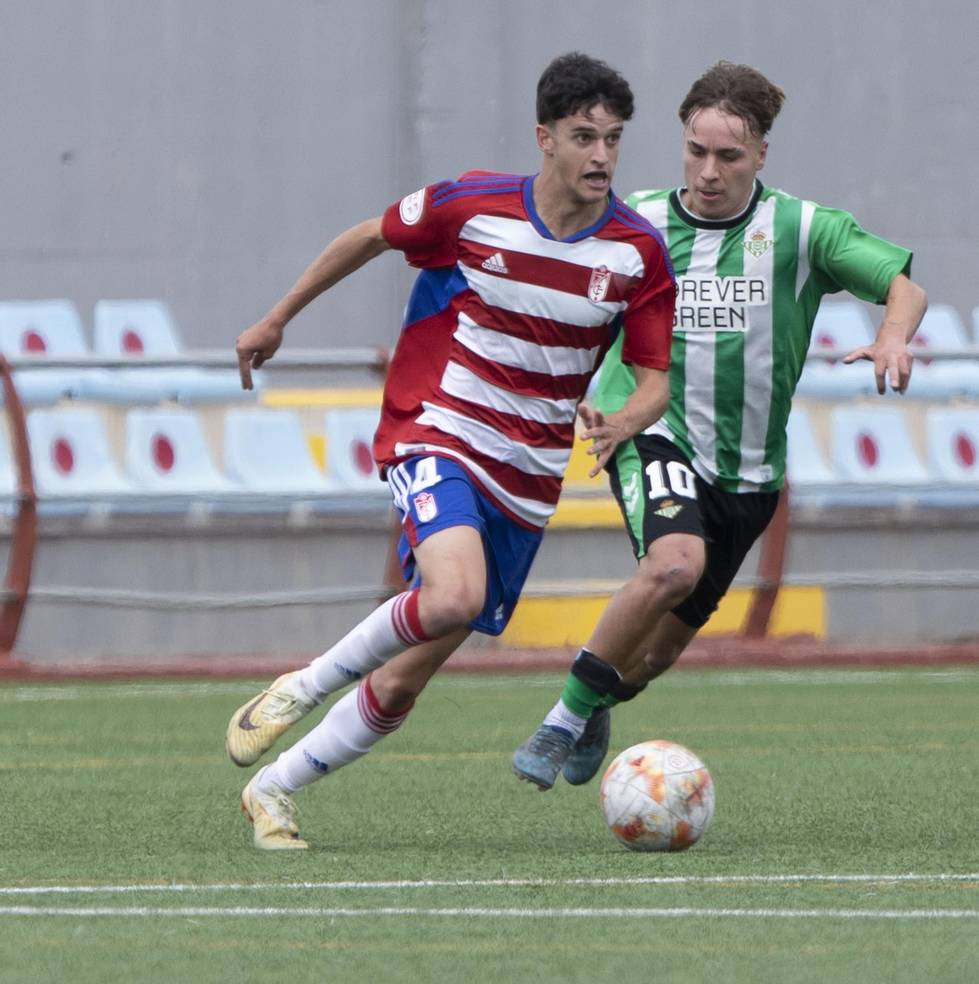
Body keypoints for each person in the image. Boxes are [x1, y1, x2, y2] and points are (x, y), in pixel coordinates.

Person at [223, 52, 677, 850]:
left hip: (527, 479)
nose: (602, 156)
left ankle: (272, 790)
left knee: (404, 677)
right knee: (454, 595)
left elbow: (655, 380)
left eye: (613, 139)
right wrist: (277, 317)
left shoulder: (634, 253)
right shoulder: (470, 206)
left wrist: (624, 419)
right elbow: (370, 234)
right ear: (544, 138)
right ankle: (301, 683)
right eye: (583, 137)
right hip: (439, 429)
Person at [510, 61, 927, 789]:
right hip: (650, 428)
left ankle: (602, 693)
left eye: (729, 156)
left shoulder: (800, 229)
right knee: (675, 563)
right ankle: (562, 718)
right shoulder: (633, 220)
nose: (709, 171)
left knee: (654, 657)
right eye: (695, 151)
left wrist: (893, 335)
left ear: (761, 154)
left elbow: (903, 286)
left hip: (750, 472)